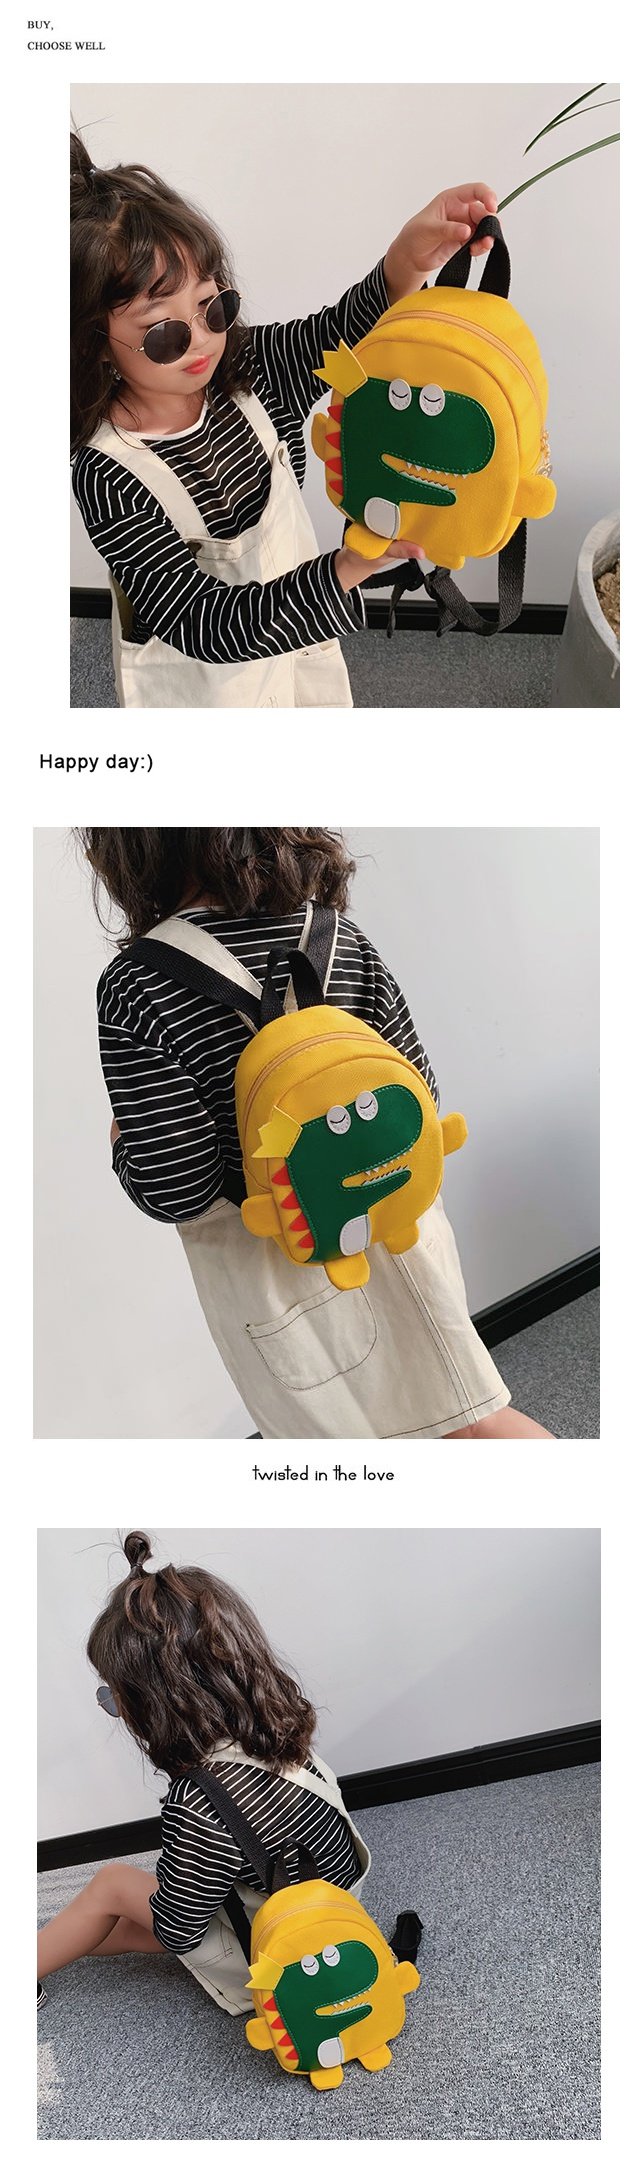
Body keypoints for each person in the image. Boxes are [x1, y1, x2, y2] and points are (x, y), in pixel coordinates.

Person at [80, 826, 554, 1441]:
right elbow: (420, 1099)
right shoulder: (337, 935)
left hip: (283, 1280)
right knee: (473, 1423)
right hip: (397, 1229)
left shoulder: (140, 985)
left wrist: (122, 1146)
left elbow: (181, 1190)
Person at [71, 132, 498, 708]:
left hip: (294, 645)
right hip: (201, 684)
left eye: (212, 306)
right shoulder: (107, 472)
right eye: (165, 332)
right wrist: (344, 569)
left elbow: (337, 332)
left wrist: (407, 260)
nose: (203, 342)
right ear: (94, 342)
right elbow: (200, 622)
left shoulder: (252, 368)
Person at [37, 1532, 372, 2014]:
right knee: (105, 1917)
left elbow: (176, 1929)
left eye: (115, 1700)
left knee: (112, 1885)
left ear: (155, 1707)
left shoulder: (202, 1801)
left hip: (281, 1959)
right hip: (339, 1923)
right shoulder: (280, 1736)